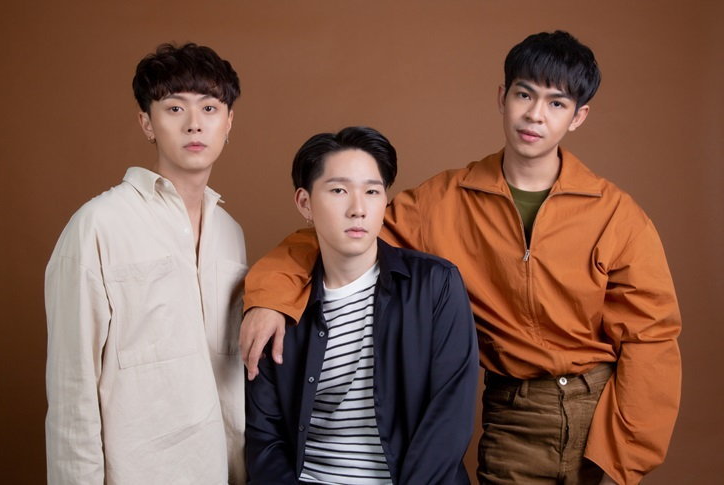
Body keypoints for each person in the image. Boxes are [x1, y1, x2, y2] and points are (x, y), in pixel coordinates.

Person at [239, 31, 682, 485]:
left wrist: (623, 460)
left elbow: (652, 337)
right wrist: (270, 296)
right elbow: (342, 234)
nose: (535, 114)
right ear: (501, 97)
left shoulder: (616, 213)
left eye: (556, 103)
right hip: (514, 413)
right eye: (524, 94)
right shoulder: (444, 200)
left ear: (578, 116)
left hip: (601, 409)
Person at [45, 43, 247, 484]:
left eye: (210, 108)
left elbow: (230, 381)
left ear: (228, 122)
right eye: (174, 108)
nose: (194, 123)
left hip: (219, 471)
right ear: (146, 123)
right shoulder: (99, 225)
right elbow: (72, 390)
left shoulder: (230, 234)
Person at [245, 126, 478, 484]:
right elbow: (264, 434)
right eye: (339, 190)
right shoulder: (278, 305)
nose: (358, 209)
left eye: (372, 191)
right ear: (305, 203)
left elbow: (449, 419)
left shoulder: (435, 284)